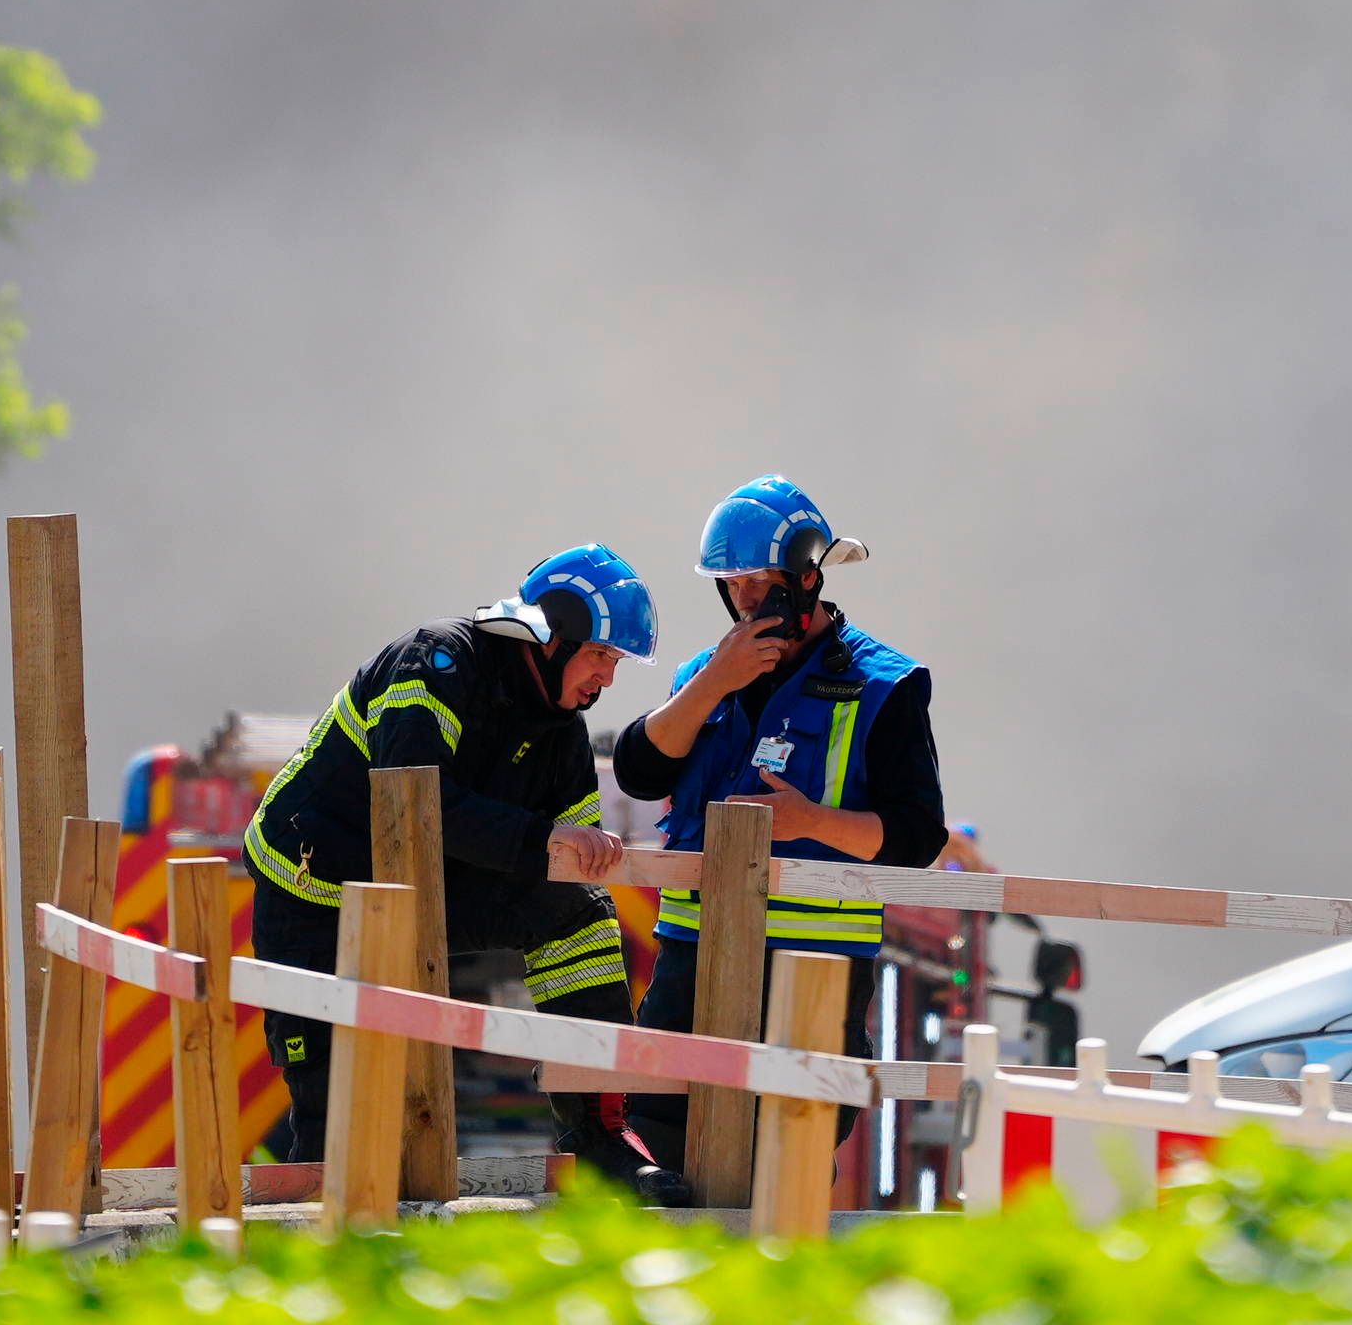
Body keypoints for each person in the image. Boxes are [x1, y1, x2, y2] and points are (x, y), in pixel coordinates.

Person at [239, 544, 659, 1193]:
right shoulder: (435, 666)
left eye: (615, 664)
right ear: (554, 635)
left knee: (576, 913)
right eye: (601, 656)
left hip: (423, 890)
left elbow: (562, 863)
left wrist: (577, 853)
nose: (607, 680)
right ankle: (319, 1257)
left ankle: (599, 1137)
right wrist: (546, 839)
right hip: (315, 900)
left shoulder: (563, 735)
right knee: (338, 1128)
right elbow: (413, 805)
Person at [612, 475, 939, 1177]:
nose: (746, 602)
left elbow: (918, 837)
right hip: (692, 959)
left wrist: (809, 821)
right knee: (658, 1146)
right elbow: (642, 772)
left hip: (813, 968)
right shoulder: (704, 675)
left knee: (786, 1163)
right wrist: (711, 686)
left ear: (808, 575)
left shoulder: (885, 685)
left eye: (761, 583)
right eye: (732, 586)